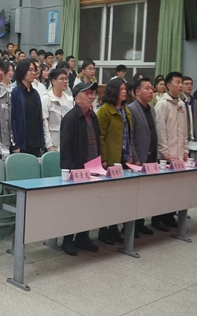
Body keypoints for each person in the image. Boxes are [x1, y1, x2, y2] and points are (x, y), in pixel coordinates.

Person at [60, 81, 101, 256]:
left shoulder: (94, 117)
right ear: (76, 98)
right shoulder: (70, 118)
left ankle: (83, 237)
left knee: (88, 206)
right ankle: (67, 240)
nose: (91, 96)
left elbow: (97, 142)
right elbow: (65, 148)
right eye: (87, 93)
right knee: (73, 207)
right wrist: (69, 171)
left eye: (93, 93)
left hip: (93, 169)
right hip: (76, 170)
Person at [96, 78, 138, 245]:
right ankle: (103, 230)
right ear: (113, 91)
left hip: (124, 158)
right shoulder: (104, 110)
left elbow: (129, 136)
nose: (124, 91)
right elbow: (100, 136)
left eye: (125, 89)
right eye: (121, 89)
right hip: (110, 159)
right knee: (108, 197)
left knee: (120, 197)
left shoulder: (125, 110)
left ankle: (114, 228)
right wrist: (104, 159)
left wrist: (130, 155)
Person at [152, 71, 188, 231]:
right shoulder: (162, 104)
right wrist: (164, 152)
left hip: (179, 154)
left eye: (181, 82)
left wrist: (185, 149)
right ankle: (157, 218)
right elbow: (160, 131)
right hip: (165, 155)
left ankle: (169, 216)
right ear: (168, 85)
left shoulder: (181, 104)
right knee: (162, 189)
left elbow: (184, 130)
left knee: (175, 189)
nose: (181, 85)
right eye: (177, 82)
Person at [127, 77, 157, 236]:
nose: (151, 91)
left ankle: (140, 223)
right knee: (135, 195)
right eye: (147, 88)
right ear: (137, 92)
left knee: (146, 194)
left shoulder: (151, 109)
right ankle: (130, 226)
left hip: (151, 157)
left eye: (151, 88)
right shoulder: (131, 109)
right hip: (138, 158)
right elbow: (130, 137)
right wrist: (135, 157)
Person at [11, 59, 45, 157]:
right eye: (30, 70)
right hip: (22, 143)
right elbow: (12, 120)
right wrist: (15, 144)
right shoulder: (16, 93)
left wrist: (41, 142)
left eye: (34, 70)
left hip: (36, 142)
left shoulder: (35, 93)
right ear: (22, 71)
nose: (33, 73)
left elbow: (39, 118)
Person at [42, 68, 73, 152]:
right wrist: (49, 145)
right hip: (53, 143)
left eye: (66, 79)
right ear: (53, 81)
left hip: (67, 142)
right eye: (62, 79)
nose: (65, 81)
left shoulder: (69, 99)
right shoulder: (46, 98)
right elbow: (44, 123)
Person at [181, 76, 197, 146]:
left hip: (194, 138)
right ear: (181, 85)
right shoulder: (178, 100)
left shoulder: (195, 102)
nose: (189, 86)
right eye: (186, 84)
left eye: (191, 84)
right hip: (182, 138)